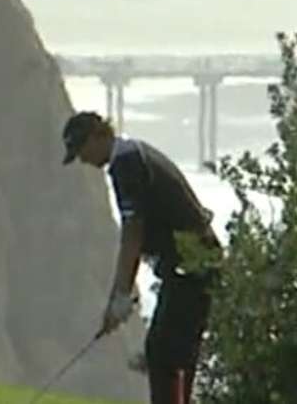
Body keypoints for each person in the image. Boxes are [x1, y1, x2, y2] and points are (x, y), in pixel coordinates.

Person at [62, 111, 222, 404]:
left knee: (165, 355)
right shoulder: (133, 153)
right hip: (190, 264)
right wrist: (118, 296)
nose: (83, 160)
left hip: (193, 266)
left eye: (81, 150)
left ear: (98, 135)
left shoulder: (125, 162)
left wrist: (120, 295)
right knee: (167, 352)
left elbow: (132, 232)